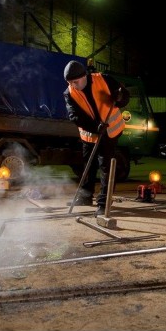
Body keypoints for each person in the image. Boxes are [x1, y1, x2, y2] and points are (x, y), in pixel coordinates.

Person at [63, 60, 130, 216]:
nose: (73, 85)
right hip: (89, 134)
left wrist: (121, 98)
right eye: (70, 82)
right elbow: (75, 116)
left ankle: (104, 203)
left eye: (75, 82)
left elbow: (125, 96)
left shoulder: (104, 79)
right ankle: (85, 197)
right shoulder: (69, 93)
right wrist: (95, 127)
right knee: (88, 165)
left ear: (84, 76)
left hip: (110, 132)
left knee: (105, 166)